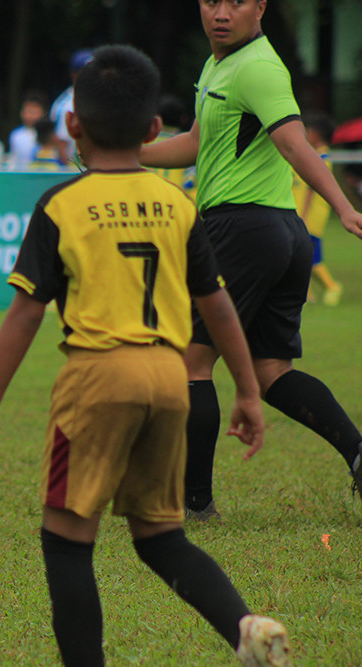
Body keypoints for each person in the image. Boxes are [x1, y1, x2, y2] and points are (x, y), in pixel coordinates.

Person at [0, 45, 291, 667]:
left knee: (66, 540)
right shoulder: (179, 207)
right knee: (160, 536)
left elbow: (25, 313)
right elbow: (216, 307)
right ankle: (245, 626)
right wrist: (244, 389)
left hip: (97, 380)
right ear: (155, 129)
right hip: (170, 378)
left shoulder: (61, 204)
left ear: (72, 124)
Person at [140, 0, 362, 520]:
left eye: (236, 1)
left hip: (242, 230)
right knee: (270, 370)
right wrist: (124, 152)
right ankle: (358, 451)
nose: (221, 12)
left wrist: (343, 206)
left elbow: (294, 143)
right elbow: (197, 143)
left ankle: (194, 505)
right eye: (211, 1)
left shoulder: (259, 66)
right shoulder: (218, 64)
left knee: (192, 362)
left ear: (260, 6)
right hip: (279, 234)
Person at [292, 112, 341, 306]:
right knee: (300, 255)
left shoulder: (320, 157)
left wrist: (302, 215)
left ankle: (332, 286)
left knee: (312, 258)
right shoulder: (316, 154)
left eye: (309, 132)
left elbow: (312, 189)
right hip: (305, 215)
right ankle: (307, 294)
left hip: (311, 216)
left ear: (317, 134)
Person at [50, 48, 93, 166]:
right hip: (72, 170)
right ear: (74, 75)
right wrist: (71, 173)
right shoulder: (67, 104)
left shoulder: (95, 98)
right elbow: (61, 143)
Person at [7, 90, 48, 170]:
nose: (29, 116)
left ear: (43, 113)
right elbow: (13, 159)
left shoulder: (48, 135)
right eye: (26, 111)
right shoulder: (16, 134)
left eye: (33, 112)